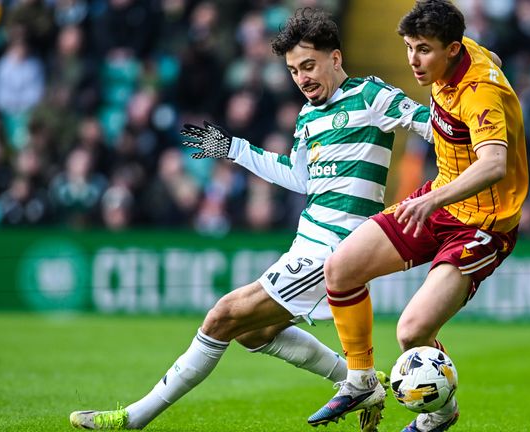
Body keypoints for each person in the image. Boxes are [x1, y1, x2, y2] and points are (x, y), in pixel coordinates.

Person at [69, 7, 432, 431]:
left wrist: (477, 131)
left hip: (338, 247)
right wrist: (234, 149)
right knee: (253, 333)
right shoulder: (308, 116)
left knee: (221, 317)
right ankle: (362, 382)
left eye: (309, 66)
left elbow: (431, 124)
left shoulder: (371, 96)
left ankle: (132, 418)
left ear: (336, 59)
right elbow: (300, 178)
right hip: (307, 243)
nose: (302, 78)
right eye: (294, 70)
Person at [308, 1, 528, 431]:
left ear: (450, 49)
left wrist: (430, 200)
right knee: (340, 268)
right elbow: (493, 59)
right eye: (409, 47)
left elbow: (493, 165)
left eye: (423, 49)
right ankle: (359, 381)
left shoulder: (479, 91)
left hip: (482, 226)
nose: (413, 59)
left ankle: (440, 412)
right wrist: (435, 199)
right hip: (441, 199)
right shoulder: (462, 54)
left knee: (411, 333)